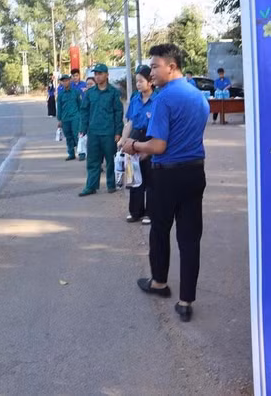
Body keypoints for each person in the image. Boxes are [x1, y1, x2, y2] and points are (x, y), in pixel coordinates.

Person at [122, 44, 208, 322]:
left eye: (155, 66)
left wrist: (132, 144)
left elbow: (159, 145)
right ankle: (186, 301)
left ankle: (159, 282)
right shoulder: (199, 97)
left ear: (171, 66)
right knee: (190, 238)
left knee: (160, 229)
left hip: (167, 175)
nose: (151, 72)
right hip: (195, 173)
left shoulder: (164, 99)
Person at [117, 65, 155, 225]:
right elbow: (130, 122)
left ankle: (150, 212)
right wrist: (123, 140)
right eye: (136, 81)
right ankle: (135, 211)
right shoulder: (135, 99)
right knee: (134, 176)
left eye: (141, 81)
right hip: (135, 137)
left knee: (151, 178)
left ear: (151, 82)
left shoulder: (158, 99)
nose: (138, 84)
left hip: (151, 136)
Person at [78, 63, 123, 197]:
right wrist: (82, 128)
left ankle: (111, 184)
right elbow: (84, 111)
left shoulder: (114, 93)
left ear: (107, 75)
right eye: (95, 74)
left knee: (110, 160)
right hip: (94, 132)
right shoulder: (90, 93)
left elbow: (118, 112)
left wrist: (118, 132)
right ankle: (91, 186)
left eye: (100, 74)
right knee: (92, 161)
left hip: (109, 133)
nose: (97, 77)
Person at [56, 74, 82, 161]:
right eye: (63, 81)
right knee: (68, 137)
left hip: (75, 117)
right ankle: (71, 153)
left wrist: (81, 116)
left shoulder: (76, 92)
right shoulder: (60, 95)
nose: (65, 82)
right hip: (65, 118)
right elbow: (59, 107)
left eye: (66, 80)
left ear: (70, 81)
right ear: (61, 82)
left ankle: (81, 153)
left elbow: (80, 104)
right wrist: (59, 119)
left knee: (77, 135)